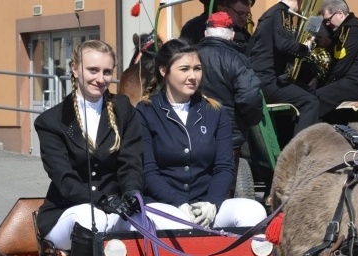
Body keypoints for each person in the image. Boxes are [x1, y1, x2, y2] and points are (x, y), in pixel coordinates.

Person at [34, 39, 143, 256]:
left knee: (149, 219)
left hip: (115, 207)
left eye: (107, 72)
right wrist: (102, 200)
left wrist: (131, 194)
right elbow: (63, 179)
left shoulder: (123, 110)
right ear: (74, 69)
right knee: (88, 215)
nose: (100, 79)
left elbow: (131, 164)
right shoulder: (51, 120)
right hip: (66, 213)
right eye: (93, 70)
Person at [136, 39, 267, 229]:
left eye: (197, 68)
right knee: (179, 224)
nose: (193, 76)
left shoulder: (214, 111)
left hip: (206, 206)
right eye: (184, 69)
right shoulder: (145, 111)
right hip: (165, 205)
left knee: (254, 211)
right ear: (163, 70)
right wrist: (178, 203)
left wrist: (212, 203)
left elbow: (224, 167)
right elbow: (148, 172)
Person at [197, 12, 263, 177]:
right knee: (225, 189)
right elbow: (250, 98)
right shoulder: (237, 60)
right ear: (232, 35)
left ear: (206, 33)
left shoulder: (189, 57)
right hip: (228, 137)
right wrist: (252, 120)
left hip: (192, 134)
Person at [249, 0, 319, 137]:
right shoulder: (281, 12)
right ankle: (299, 152)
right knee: (311, 101)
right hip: (267, 81)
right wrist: (305, 48)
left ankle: (287, 140)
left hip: (261, 79)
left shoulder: (271, 12)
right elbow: (283, 44)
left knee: (311, 92)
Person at [315, 0, 358, 122]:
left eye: (328, 20)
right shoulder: (345, 30)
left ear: (340, 13)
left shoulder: (352, 30)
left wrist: (322, 85)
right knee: (316, 95)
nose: (327, 24)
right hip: (354, 82)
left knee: (315, 99)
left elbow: (340, 66)